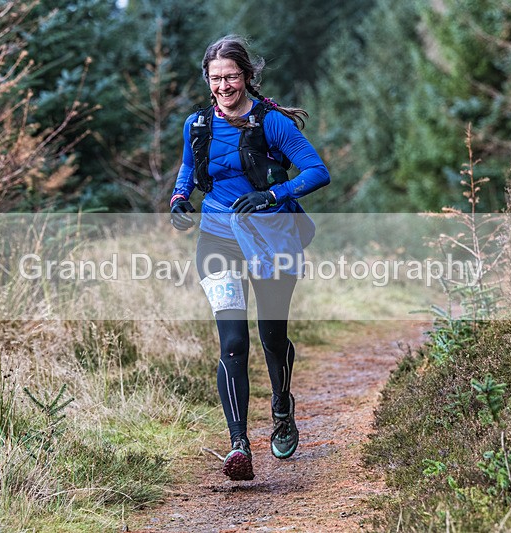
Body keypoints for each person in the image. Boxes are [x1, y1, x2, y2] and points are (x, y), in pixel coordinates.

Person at [169, 35, 330, 481]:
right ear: (207, 79)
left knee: (271, 336)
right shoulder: (197, 124)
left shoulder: (272, 123)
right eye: (216, 78)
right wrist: (180, 198)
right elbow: (188, 167)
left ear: (248, 77)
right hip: (218, 239)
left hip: (272, 239)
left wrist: (271, 194)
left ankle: (281, 405)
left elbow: (318, 171)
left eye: (232, 77)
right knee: (233, 341)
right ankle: (238, 445)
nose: (224, 86)